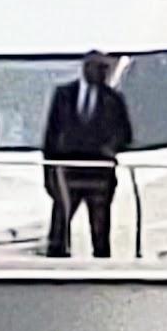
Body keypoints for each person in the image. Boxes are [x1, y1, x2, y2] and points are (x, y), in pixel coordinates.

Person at [42, 51, 134, 259]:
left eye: (104, 69)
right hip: (67, 168)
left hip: (99, 171)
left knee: (100, 226)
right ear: (85, 68)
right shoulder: (63, 95)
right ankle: (56, 257)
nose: (102, 73)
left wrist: (109, 148)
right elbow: (51, 135)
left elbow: (125, 134)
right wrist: (48, 171)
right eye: (98, 68)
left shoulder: (113, 99)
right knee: (60, 222)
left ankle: (101, 262)